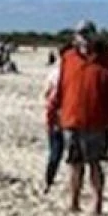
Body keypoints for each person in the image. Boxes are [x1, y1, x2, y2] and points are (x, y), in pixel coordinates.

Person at [45, 20, 108, 215]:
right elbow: (61, 87)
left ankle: (97, 203)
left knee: (95, 163)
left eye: (87, 34)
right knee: (74, 164)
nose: (84, 39)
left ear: (95, 35)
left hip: (98, 122)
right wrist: (54, 111)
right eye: (80, 34)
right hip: (71, 118)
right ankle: (73, 201)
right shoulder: (68, 58)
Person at [42, 53, 64, 192]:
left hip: (55, 115)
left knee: (55, 151)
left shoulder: (54, 73)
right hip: (68, 116)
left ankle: (49, 180)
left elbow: (46, 93)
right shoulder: (73, 73)